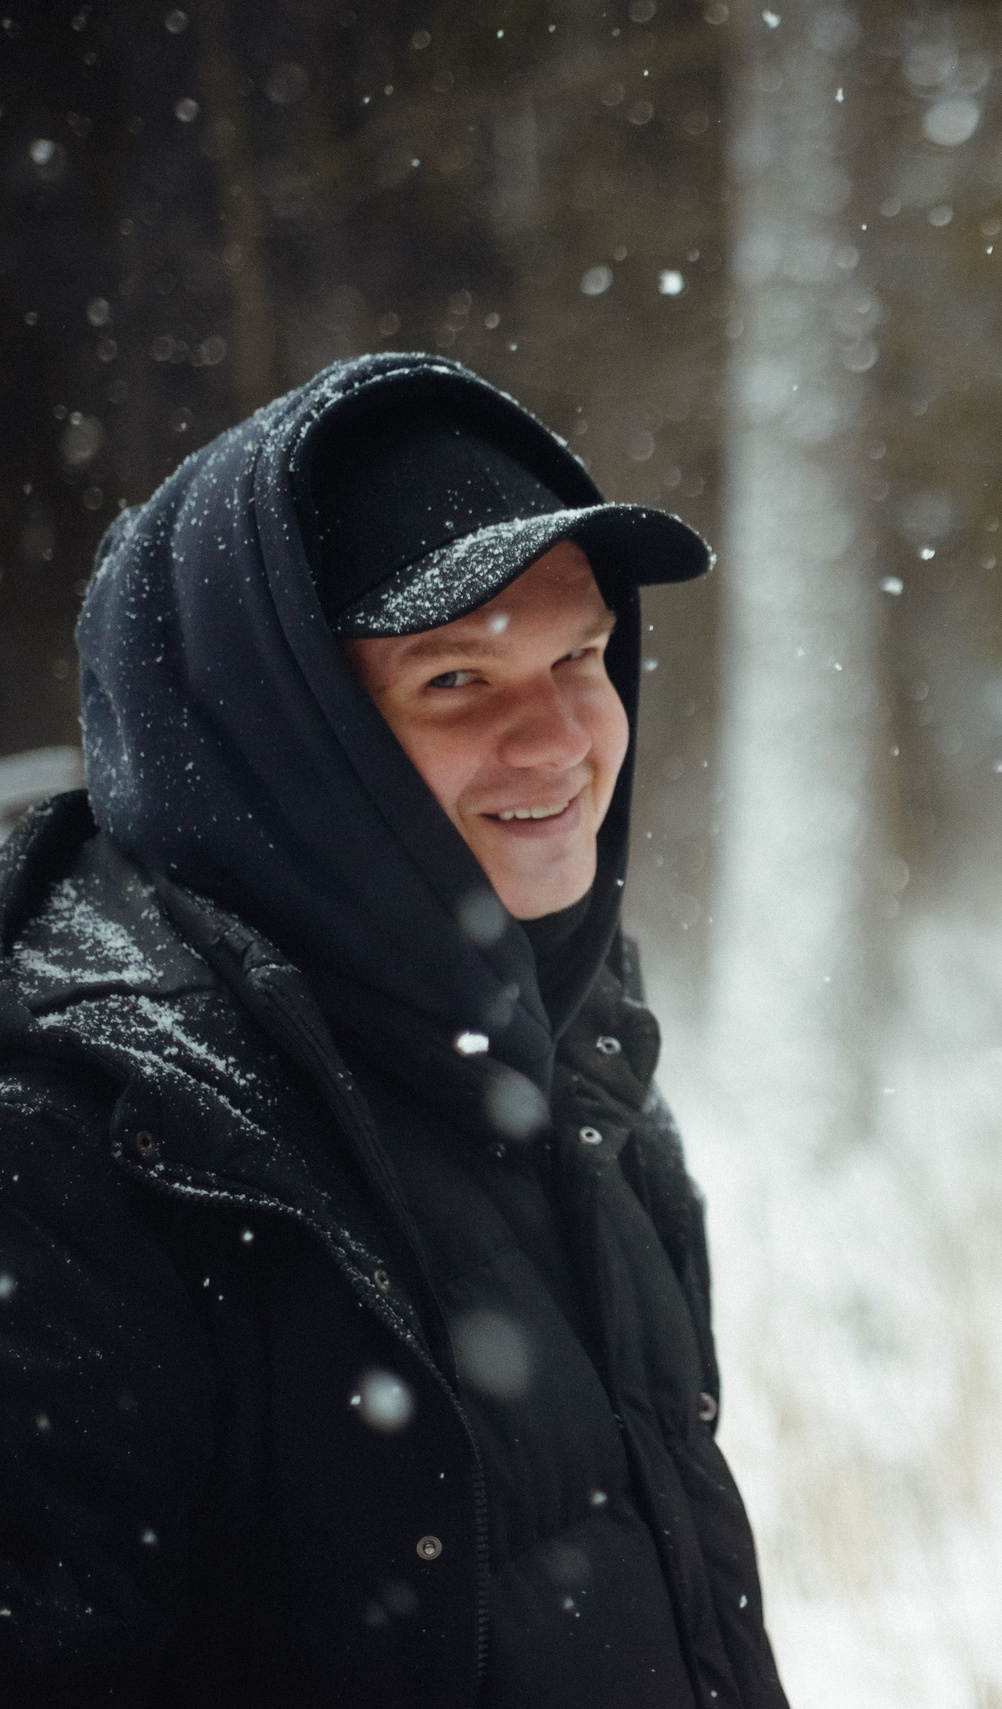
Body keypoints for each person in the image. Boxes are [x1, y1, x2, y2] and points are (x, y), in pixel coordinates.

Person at [0, 353, 789, 1706]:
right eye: (456, 680)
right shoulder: (73, 1150)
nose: (558, 740)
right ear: (280, 736)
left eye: (579, 655)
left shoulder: (582, 1043)